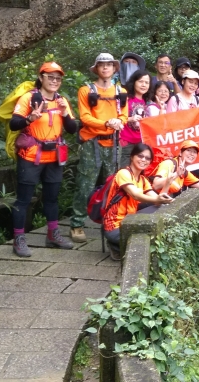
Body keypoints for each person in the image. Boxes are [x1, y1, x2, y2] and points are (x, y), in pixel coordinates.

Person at [8, 62, 79, 257]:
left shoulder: (61, 100)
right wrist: (30, 118)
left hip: (54, 156)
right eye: (50, 77)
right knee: (23, 200)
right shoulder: (29, 98)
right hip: (30, 156)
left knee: (52, 198)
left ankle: (53, 235)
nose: (55, 81)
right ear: (41, 78)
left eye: (58, 78)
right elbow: (14, 123)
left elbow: (73, 129)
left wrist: (65, 113)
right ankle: (19, 239)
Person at [70, 53, 127, 244]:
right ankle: (77, 224)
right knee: (85, 184)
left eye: (109, 65)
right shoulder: (86, 91)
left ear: (114, 68)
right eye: (101, 65)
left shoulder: (121, 91)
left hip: (114, 143)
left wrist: (118, 122)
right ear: (96, 68)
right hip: (92, 143)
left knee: (112, 185)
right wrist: (108, 123)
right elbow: (85, 117)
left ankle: (110, 222)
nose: (105, 68)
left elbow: (124, 116)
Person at [101, 143, 173, 260]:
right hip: (114, 227)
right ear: (132, 157)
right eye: (140, 156)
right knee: (150, 236)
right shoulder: (123, 173)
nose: (144, 160)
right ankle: (116, 245)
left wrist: (168, 182)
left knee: (160, 209)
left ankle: (121, 246)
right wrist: (158, 199)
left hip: (129, 221)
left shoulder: (143, 180)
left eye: (148, 158)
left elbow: (158, 201)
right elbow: (136, 195)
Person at [120, 69, 151, 147]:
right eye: (140, 81)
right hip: (125, 141)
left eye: (147, 82)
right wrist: (131, 118)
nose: (144, 85)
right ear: (134, 82)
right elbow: (116, 118)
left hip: (141, 142)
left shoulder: (147, 101)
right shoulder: (126, 98)